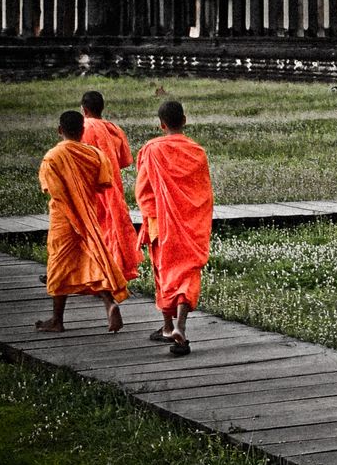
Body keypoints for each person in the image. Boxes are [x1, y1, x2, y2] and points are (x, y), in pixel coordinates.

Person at [36, 110, 128, 333]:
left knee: (59, 265)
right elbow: (104, 183)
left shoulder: (52, 157)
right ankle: (109, 304)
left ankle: (57, 320)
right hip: (88, 216)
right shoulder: (94, 154)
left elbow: (51, 189)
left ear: (60, 130)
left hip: (64, 218)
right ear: (83, 130)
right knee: (94, 258)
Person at [136, 100, 213, 357]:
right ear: (185, 120)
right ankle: (178, 325)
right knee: (188, 271)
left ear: (162, 125)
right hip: (192, 222)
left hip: (161, 220)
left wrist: (151, 216)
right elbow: (203, 192)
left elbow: (143, 190)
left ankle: (169, 326)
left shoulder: (152, 149)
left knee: (163, 270)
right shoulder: (197, 151)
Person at [80, 90, 141, 283]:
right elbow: (125, 160)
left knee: (91, 230)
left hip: (89, 188)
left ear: (84, 109)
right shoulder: (114, 128)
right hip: (112, 186)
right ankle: (113, 274)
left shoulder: (82, 127)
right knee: (111, 229)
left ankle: (94, 276)